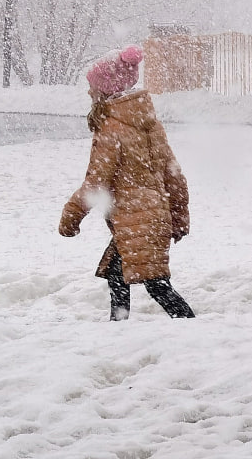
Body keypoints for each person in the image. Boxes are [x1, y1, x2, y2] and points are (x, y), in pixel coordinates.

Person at [59, 45, 195, 321]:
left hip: (137, 219)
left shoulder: (112, 129)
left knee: (157, 285)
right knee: (117, 274)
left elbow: (95, 184)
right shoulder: (148, 122)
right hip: (152, 216)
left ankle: (190, 329)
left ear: (107, 89)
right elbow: (174, 175)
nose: (89, 92)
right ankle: (118, 327)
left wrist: (70, 218)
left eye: (93, 87)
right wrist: (178, 215)